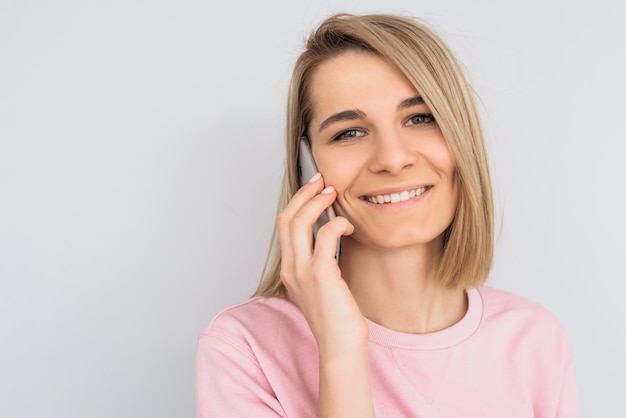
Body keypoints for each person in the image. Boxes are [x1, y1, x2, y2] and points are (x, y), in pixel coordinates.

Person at [195, 13, 580, 417]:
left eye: (420, 118)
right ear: (307, 166)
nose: (393, 160)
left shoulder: (534, 339)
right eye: (349, 132)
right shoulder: (243, 348)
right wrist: (340, 349)